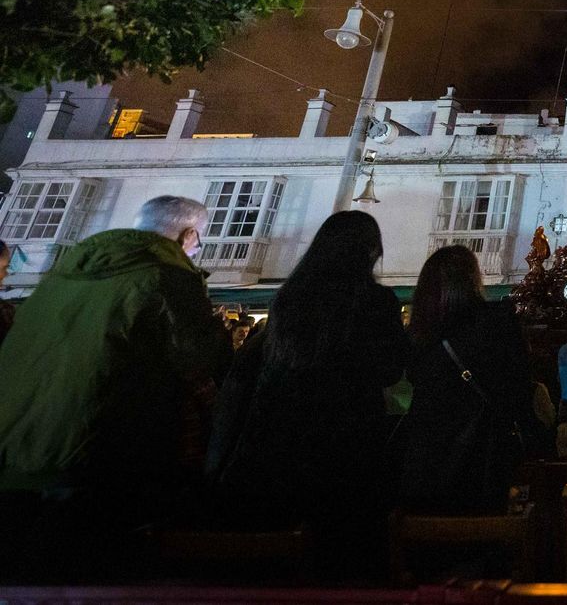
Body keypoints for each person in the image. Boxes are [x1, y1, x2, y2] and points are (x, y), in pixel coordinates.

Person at [0, 196, 228, 578]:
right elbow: (202, 356)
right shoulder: (167, 274)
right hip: (95, 451)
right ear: (188, 235)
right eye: (198, 241)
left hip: (17, 443)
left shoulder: (69, 270)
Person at [207, 210, 407, 580]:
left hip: (277, 442)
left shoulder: (289, 299)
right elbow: (390, 369)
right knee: (343, 556)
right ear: (369, 251)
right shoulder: (374, 301)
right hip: (346, 442)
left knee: (284, 564)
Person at [399, 245, 549, 514]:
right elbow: (517, 387)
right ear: (473, 279)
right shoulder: (497, 321)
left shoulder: (421, 331)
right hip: (484, 451)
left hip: (427, 454)